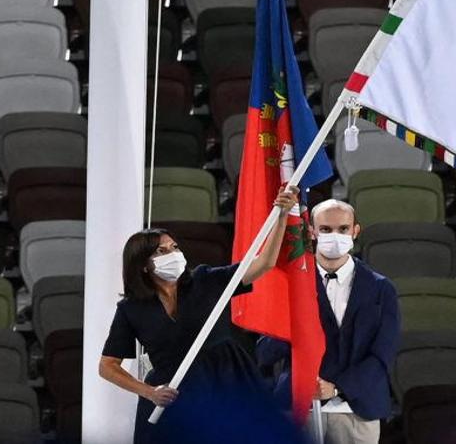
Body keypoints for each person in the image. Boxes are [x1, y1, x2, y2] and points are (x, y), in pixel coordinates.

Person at [98, 186, 301, 444]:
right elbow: (107, 366)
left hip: (226, 381)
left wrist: (282, 216)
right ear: (143, 264)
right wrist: (148, 392)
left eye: (174, 247)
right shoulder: (131, 309)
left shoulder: (206, 280)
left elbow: (264, 264)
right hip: (173, 394)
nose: (174, 254)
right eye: (162, 251)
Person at [259, 198, 401, 444]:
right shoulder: (291, 285)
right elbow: (265, 352)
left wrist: (336, 388)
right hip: (298, 408)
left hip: (357, 411)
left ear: (356, 230)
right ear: (311, 231)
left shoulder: (381, 289)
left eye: (343, 229)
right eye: (326, 229)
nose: (335, 235)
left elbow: (382, 355)